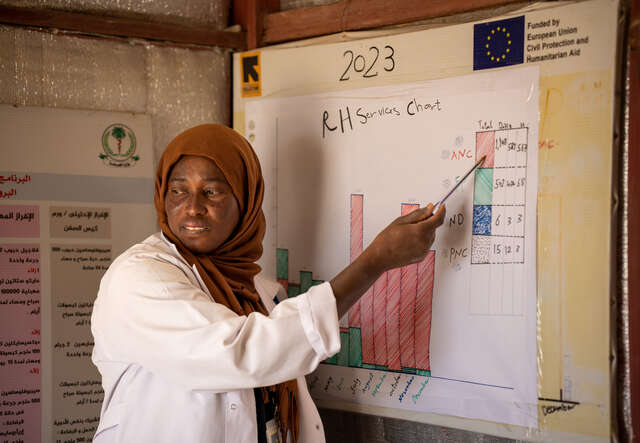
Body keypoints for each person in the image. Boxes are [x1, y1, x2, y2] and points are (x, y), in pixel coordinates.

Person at [90, 124, 445, 443]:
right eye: (178, 192)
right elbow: (240, 353)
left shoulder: (258, 290)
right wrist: (375, 261)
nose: (192, 208)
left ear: (246, 200)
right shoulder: (138, 277)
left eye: (211, 192)